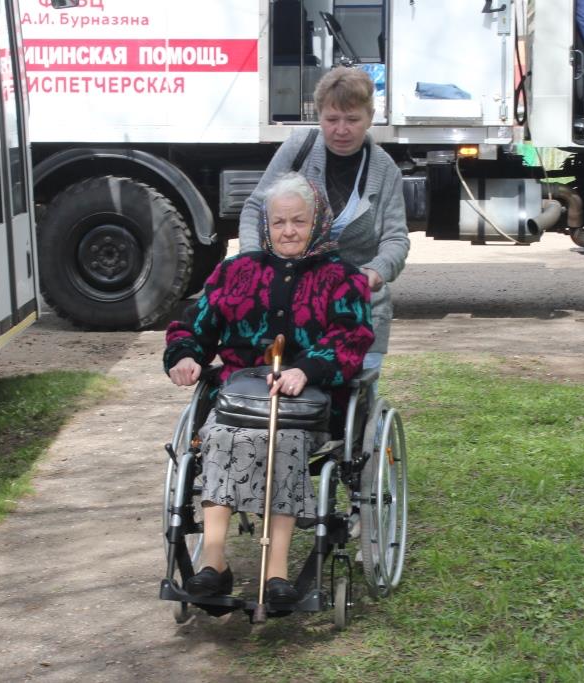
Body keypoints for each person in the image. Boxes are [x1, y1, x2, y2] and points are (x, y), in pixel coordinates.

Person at [165, 173, 374, 604]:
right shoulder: (235, 272)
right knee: (220, 437)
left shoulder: (342, 277)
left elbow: (352, 339)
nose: (289, 231)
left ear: (318, 222)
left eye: (299, 221)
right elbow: (194, 328)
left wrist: (308, 370)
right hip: (239, 401)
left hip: (307, 407)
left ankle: (276, 570)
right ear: (266, 225)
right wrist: (185, 355)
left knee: (283, 440)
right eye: (279, 223)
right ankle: (213, 563)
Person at [239, 66, 409, 376]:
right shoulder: (298, 149)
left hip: (355, 311)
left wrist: (374, 272)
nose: (341, 129)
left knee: (350, 406)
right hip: (292, 307)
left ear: (370, 118)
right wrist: (252, 261)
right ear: (319, 116)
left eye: (352, 120)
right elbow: (255, 208)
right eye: (332, 119)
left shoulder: (385, 170)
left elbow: (396, 239)